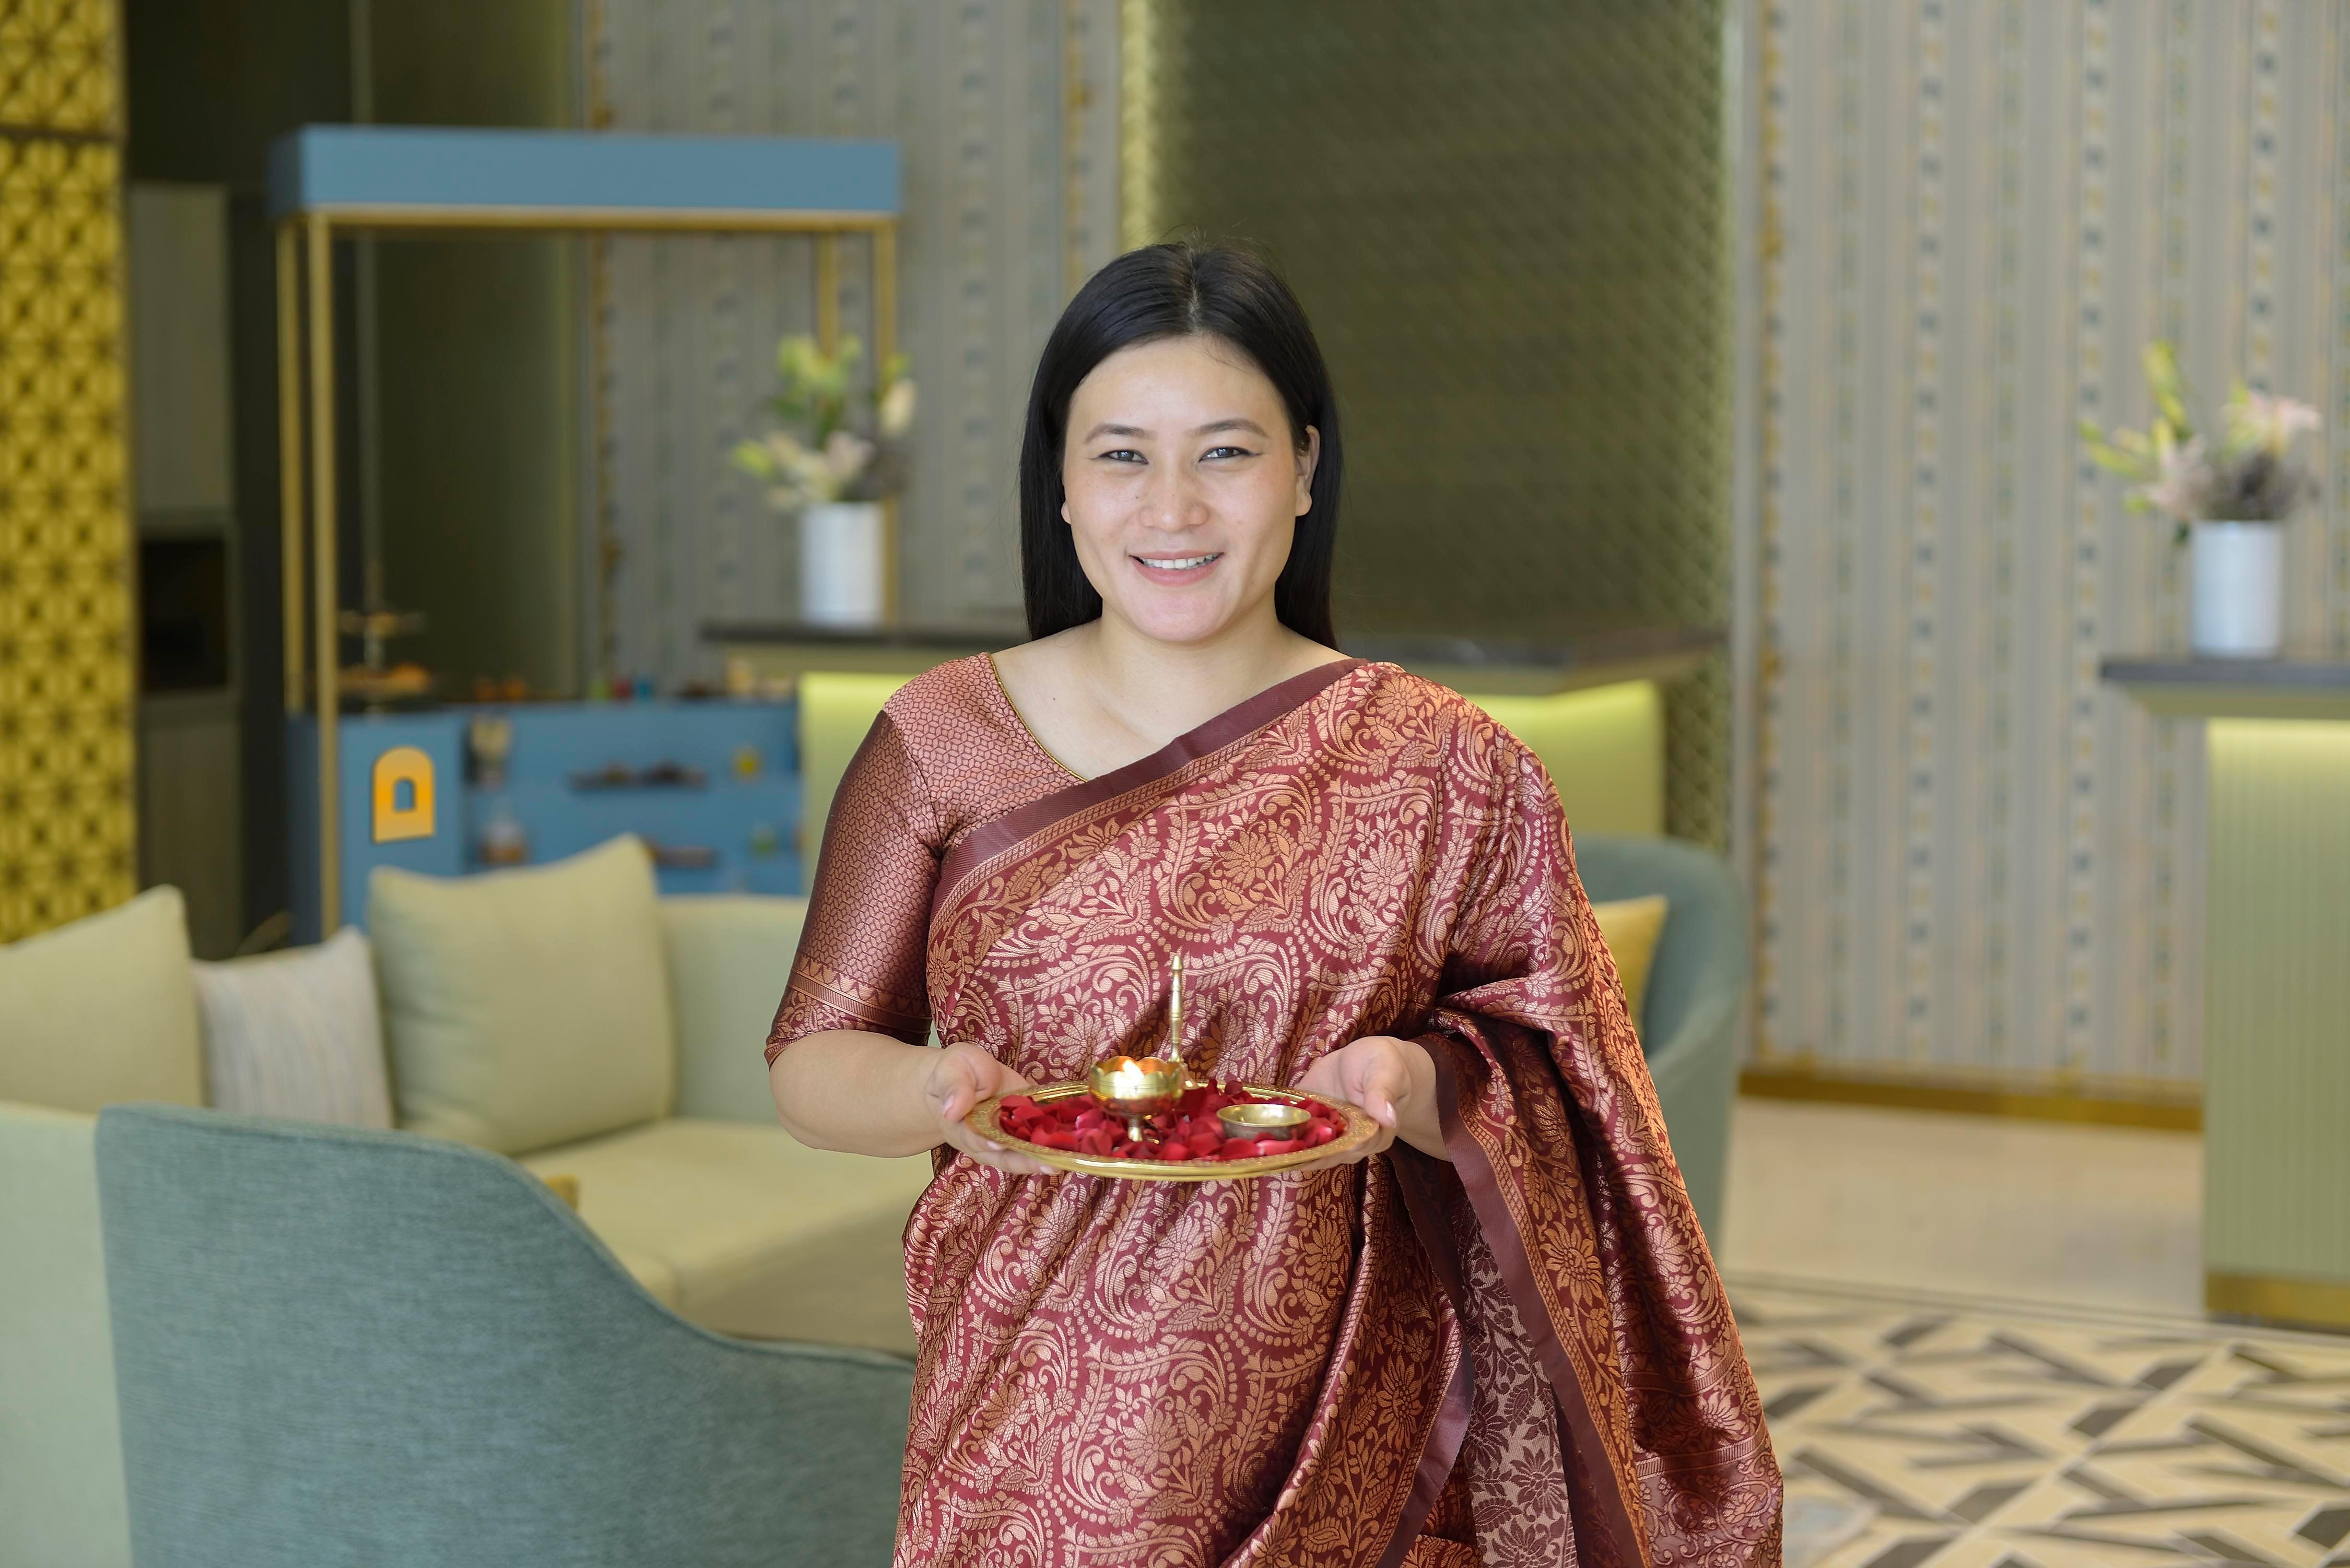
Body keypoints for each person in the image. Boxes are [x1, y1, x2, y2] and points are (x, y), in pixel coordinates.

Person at [766, 241, 1781, 1568]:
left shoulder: (1447, 763)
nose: (1172, 506)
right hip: (1024, 1424)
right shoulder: (941, 740)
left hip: (1354, 1441)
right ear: (1060, 481)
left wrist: (1415, 1084)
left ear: (1305, 467)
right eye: (1121, 455)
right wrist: (936, 1093)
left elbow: (1570, 1084)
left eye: (1226, 453)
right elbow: (812, 1062)